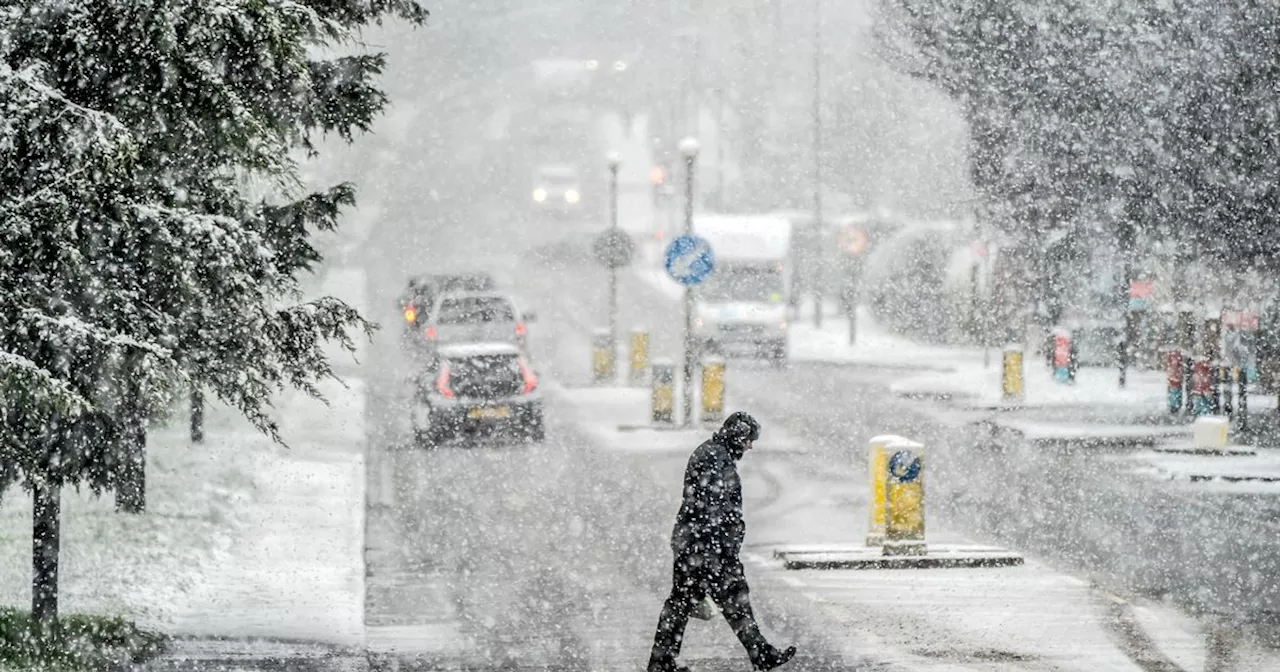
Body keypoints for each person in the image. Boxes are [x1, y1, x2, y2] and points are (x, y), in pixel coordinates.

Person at [647, 412, 797, 672]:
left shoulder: (714, 454)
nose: (750, 446)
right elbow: (716, 511)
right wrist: (723, 551)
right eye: (749, 440)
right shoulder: (716, 459)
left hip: (696, 546)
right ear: (738, 437)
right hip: (706, 549)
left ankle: (662, 661)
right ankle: (760, 655)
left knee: (686, 604)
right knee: (729, 601)